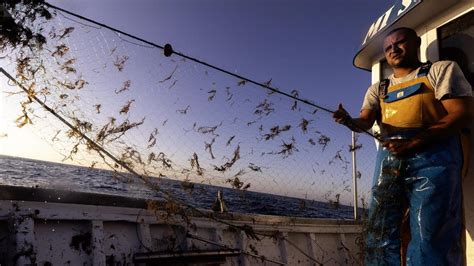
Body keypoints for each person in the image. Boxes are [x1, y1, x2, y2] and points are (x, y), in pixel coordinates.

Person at [334, 27, 473, 265]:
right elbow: (365, 121)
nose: (393, 50)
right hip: (390, 162)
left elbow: (462, 113)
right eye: (388, 47)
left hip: (434, 160)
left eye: (400, 43)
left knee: (430, 233)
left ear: (416, 43)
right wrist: (349, 121)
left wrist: (417, 141)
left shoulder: (440, 70)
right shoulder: (378, 89)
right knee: (378, 229)